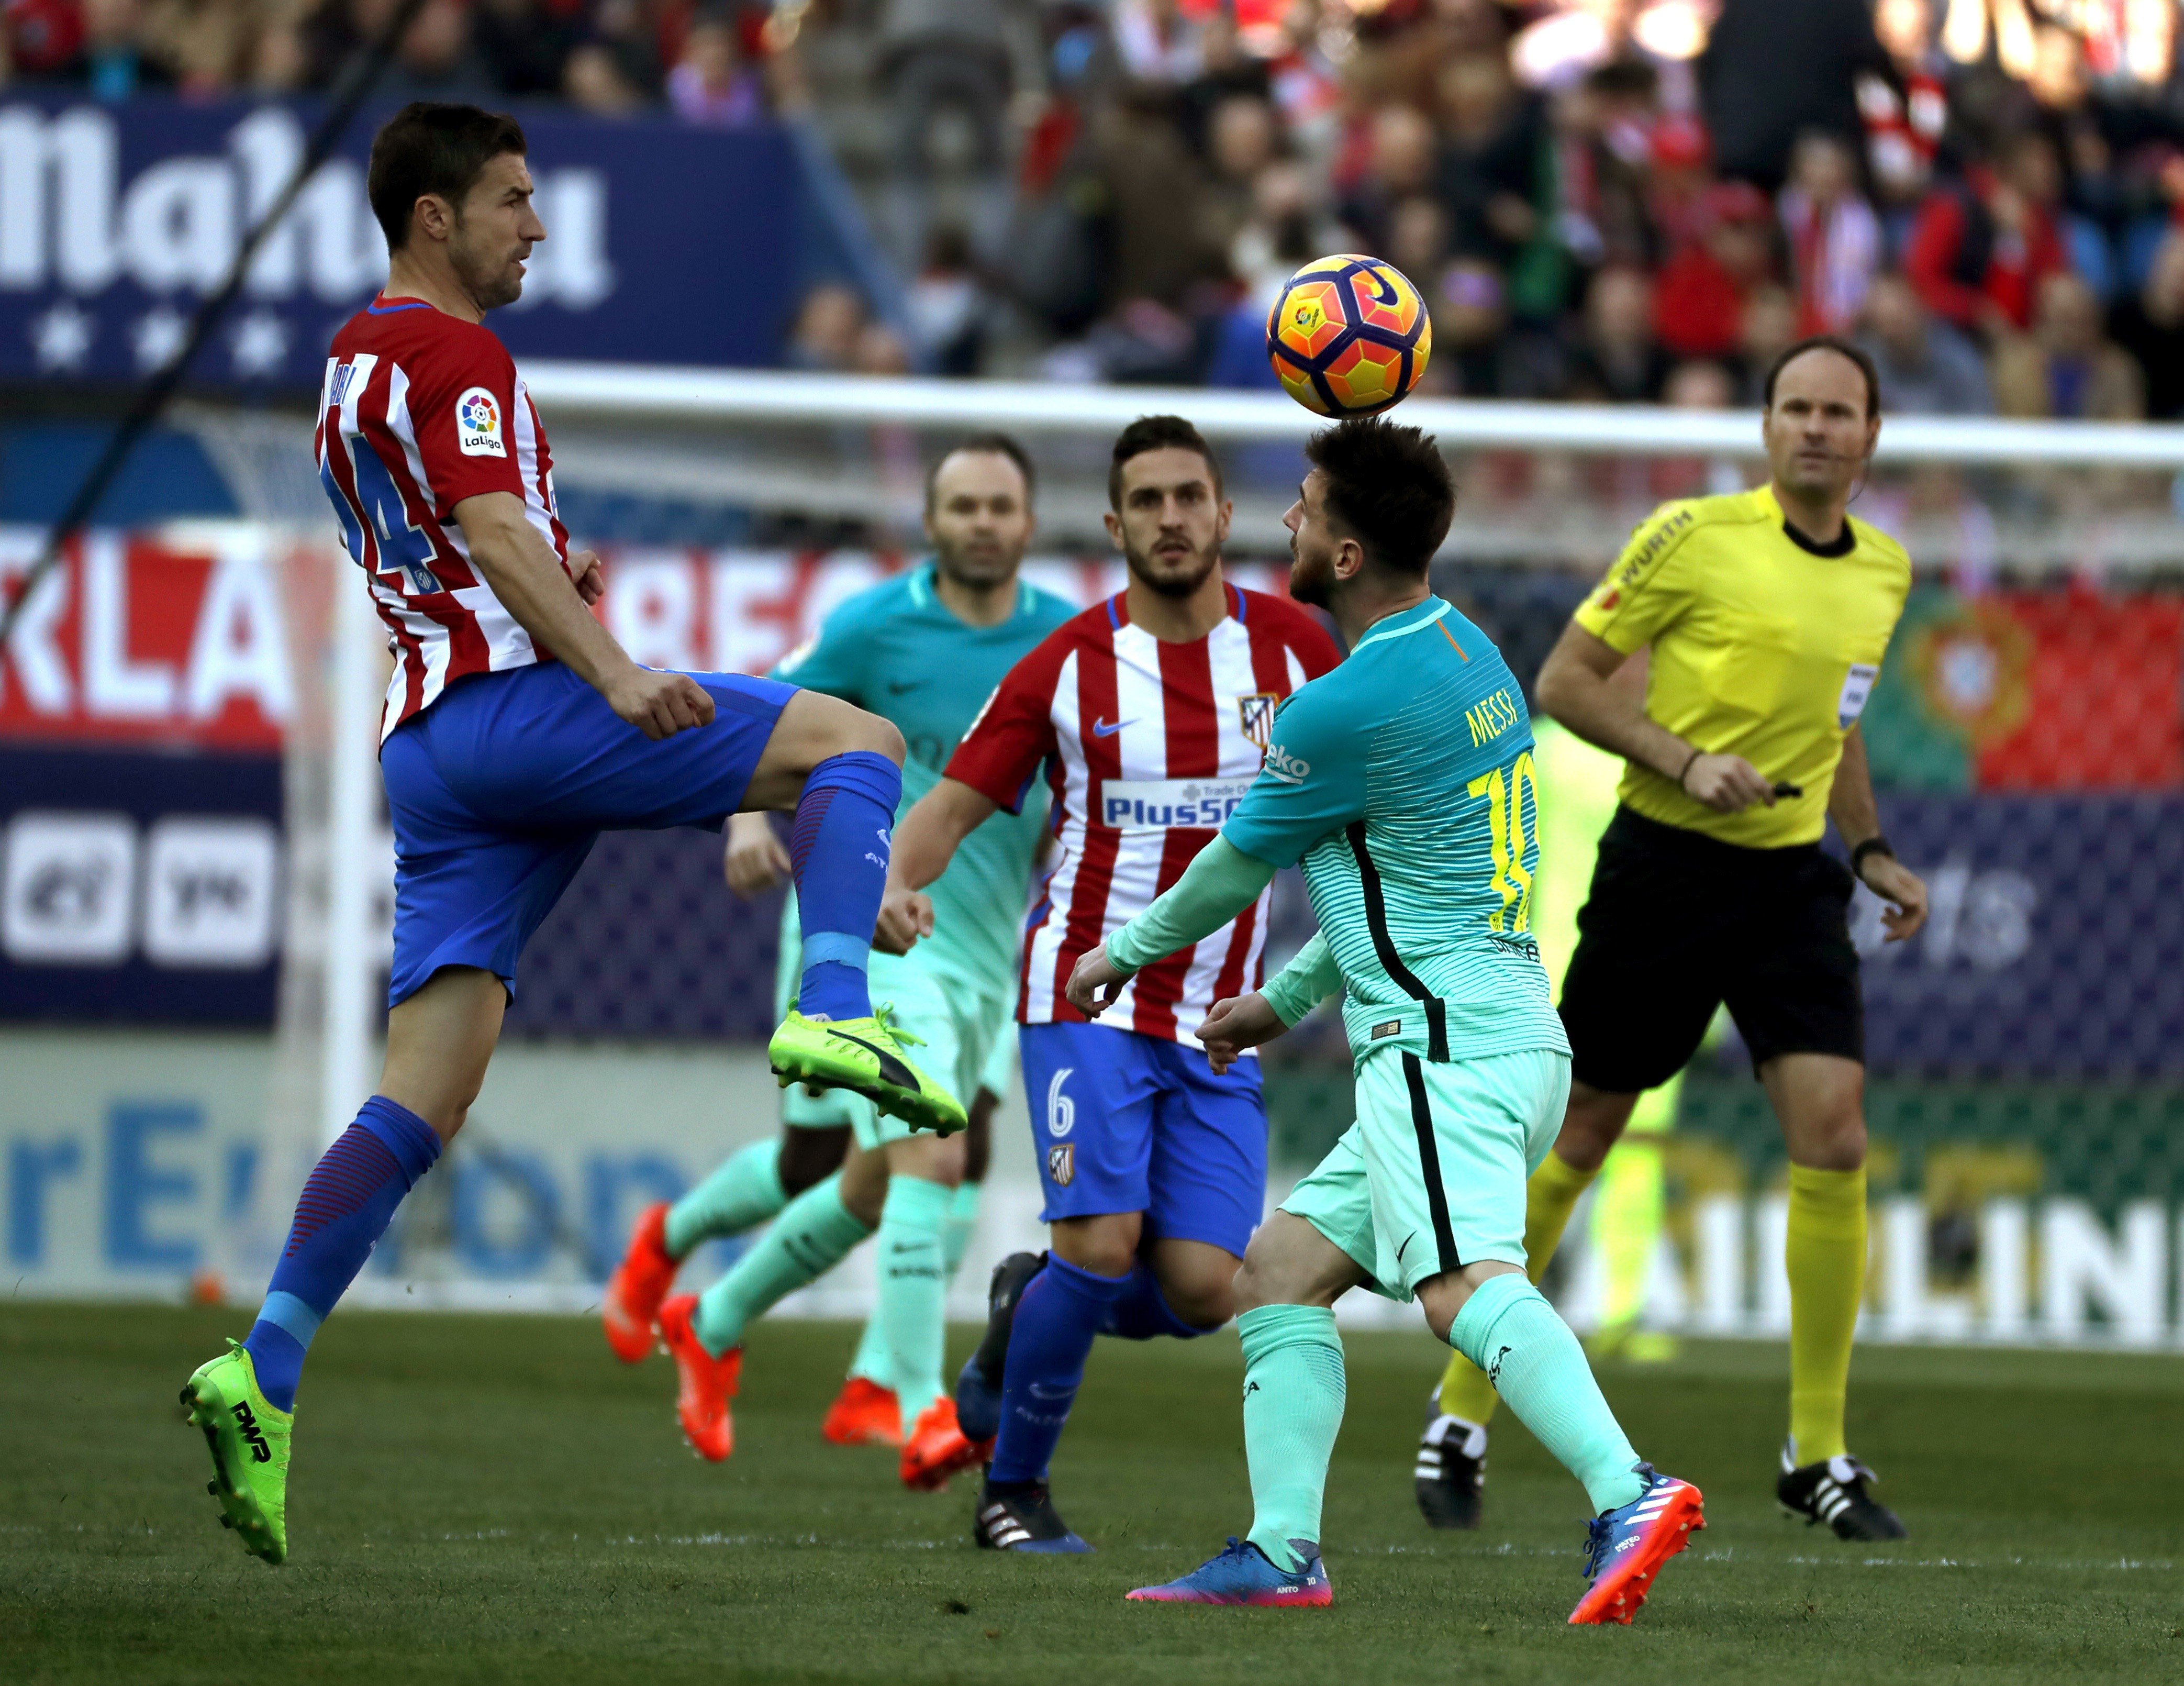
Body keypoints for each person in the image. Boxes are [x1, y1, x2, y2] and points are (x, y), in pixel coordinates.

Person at [180, 102, 961, 1568]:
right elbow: (485, 524)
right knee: (859, 743)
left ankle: (265, 1370)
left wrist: (555, 567)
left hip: (431, 749)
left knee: (421, 1101)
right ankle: (835, 1012)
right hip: (516, 711)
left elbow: (450, 532)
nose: (535, 226)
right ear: (435, 217)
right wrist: (606, 661)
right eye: (513, 200)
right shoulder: (456, 351)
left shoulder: (354, 356)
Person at [1071, 418, 1704, 1623]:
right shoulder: (1468, 653)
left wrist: (1121, 952)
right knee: (1276, 1271)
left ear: (1347, 552)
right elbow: (1403, 885)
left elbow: (1228, 874)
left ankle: (1627, 1486)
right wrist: (1289, 997)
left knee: (1460, 1286)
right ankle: (1280, 1550)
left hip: (1439, 1052)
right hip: (1514, 1035)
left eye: (1302, 508)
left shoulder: (1339, 709)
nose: (1286, 525)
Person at [878, 415, 1341, 1551]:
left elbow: (1369, 794)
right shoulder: (1069, 661)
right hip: (1082, 994)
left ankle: (1021, 1309)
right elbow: (948, 805)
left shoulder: (1298, 651)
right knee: (1099, 1243)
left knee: (1202, 1288)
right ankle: (1012, 1492)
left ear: (1226, 515)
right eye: (1148, 500)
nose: (1172, 518)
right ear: (1114, 523)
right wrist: (888, 882)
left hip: (1220, 1019)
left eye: (1191, 496)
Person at [599, 437, 1074, 1486]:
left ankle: (713, 1314)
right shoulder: (872, 625)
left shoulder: (1064, 643)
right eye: (964, 505)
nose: (984, 522)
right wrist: (742, 824)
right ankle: (914, 1404)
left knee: (864, 1173)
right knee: (925, 1157)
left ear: (1030, 522)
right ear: (932, 520)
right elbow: (757, 720)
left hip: (988, 945)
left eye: (1001, 505)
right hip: (876, 924)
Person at [1527, 334, 1929, 1540]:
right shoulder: (1691, 534)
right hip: (1663, 863)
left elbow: (1838, 722)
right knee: (1588, 1126)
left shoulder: (1887, 572)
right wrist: (1685, 757)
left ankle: (1817, 1447)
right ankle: (1463, 1405)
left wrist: (1866, 850)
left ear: (1869, 436)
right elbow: (1564, 679)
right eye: (1794, 407)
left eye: (1837, 411)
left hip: (1788, 880)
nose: (1814, 427)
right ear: (1766, 426)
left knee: (1837, 1134)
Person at [1415, 688, 1692, 1533]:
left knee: (1567, 1154)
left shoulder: (1533, 748)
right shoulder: (1656, 759)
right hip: (1608, 970)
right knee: (1623, 1146)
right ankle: (1612, 1308)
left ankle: (1574, 1305)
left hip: (1537, 969)